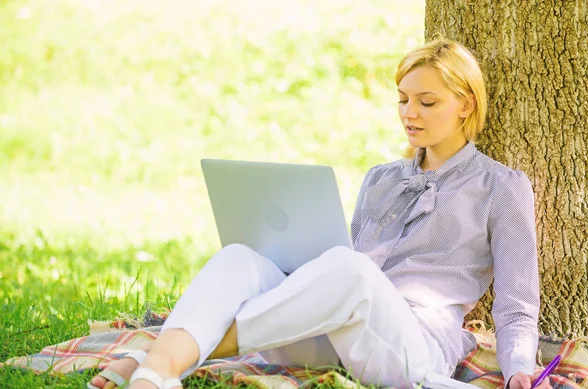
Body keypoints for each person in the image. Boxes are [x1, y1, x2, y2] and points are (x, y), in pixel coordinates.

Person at [88, 38, 550, 389]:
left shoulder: (501, 187)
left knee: (351, 270)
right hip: (335, 332)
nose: (409, 113)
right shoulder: (381, 178)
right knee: (240, 258)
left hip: (413, 348)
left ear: (466, 104)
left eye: (427, 102)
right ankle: (159, 370)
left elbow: (517, 304)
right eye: (403, 99)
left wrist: (520, 370)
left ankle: (165, 354)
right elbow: (335, 268)